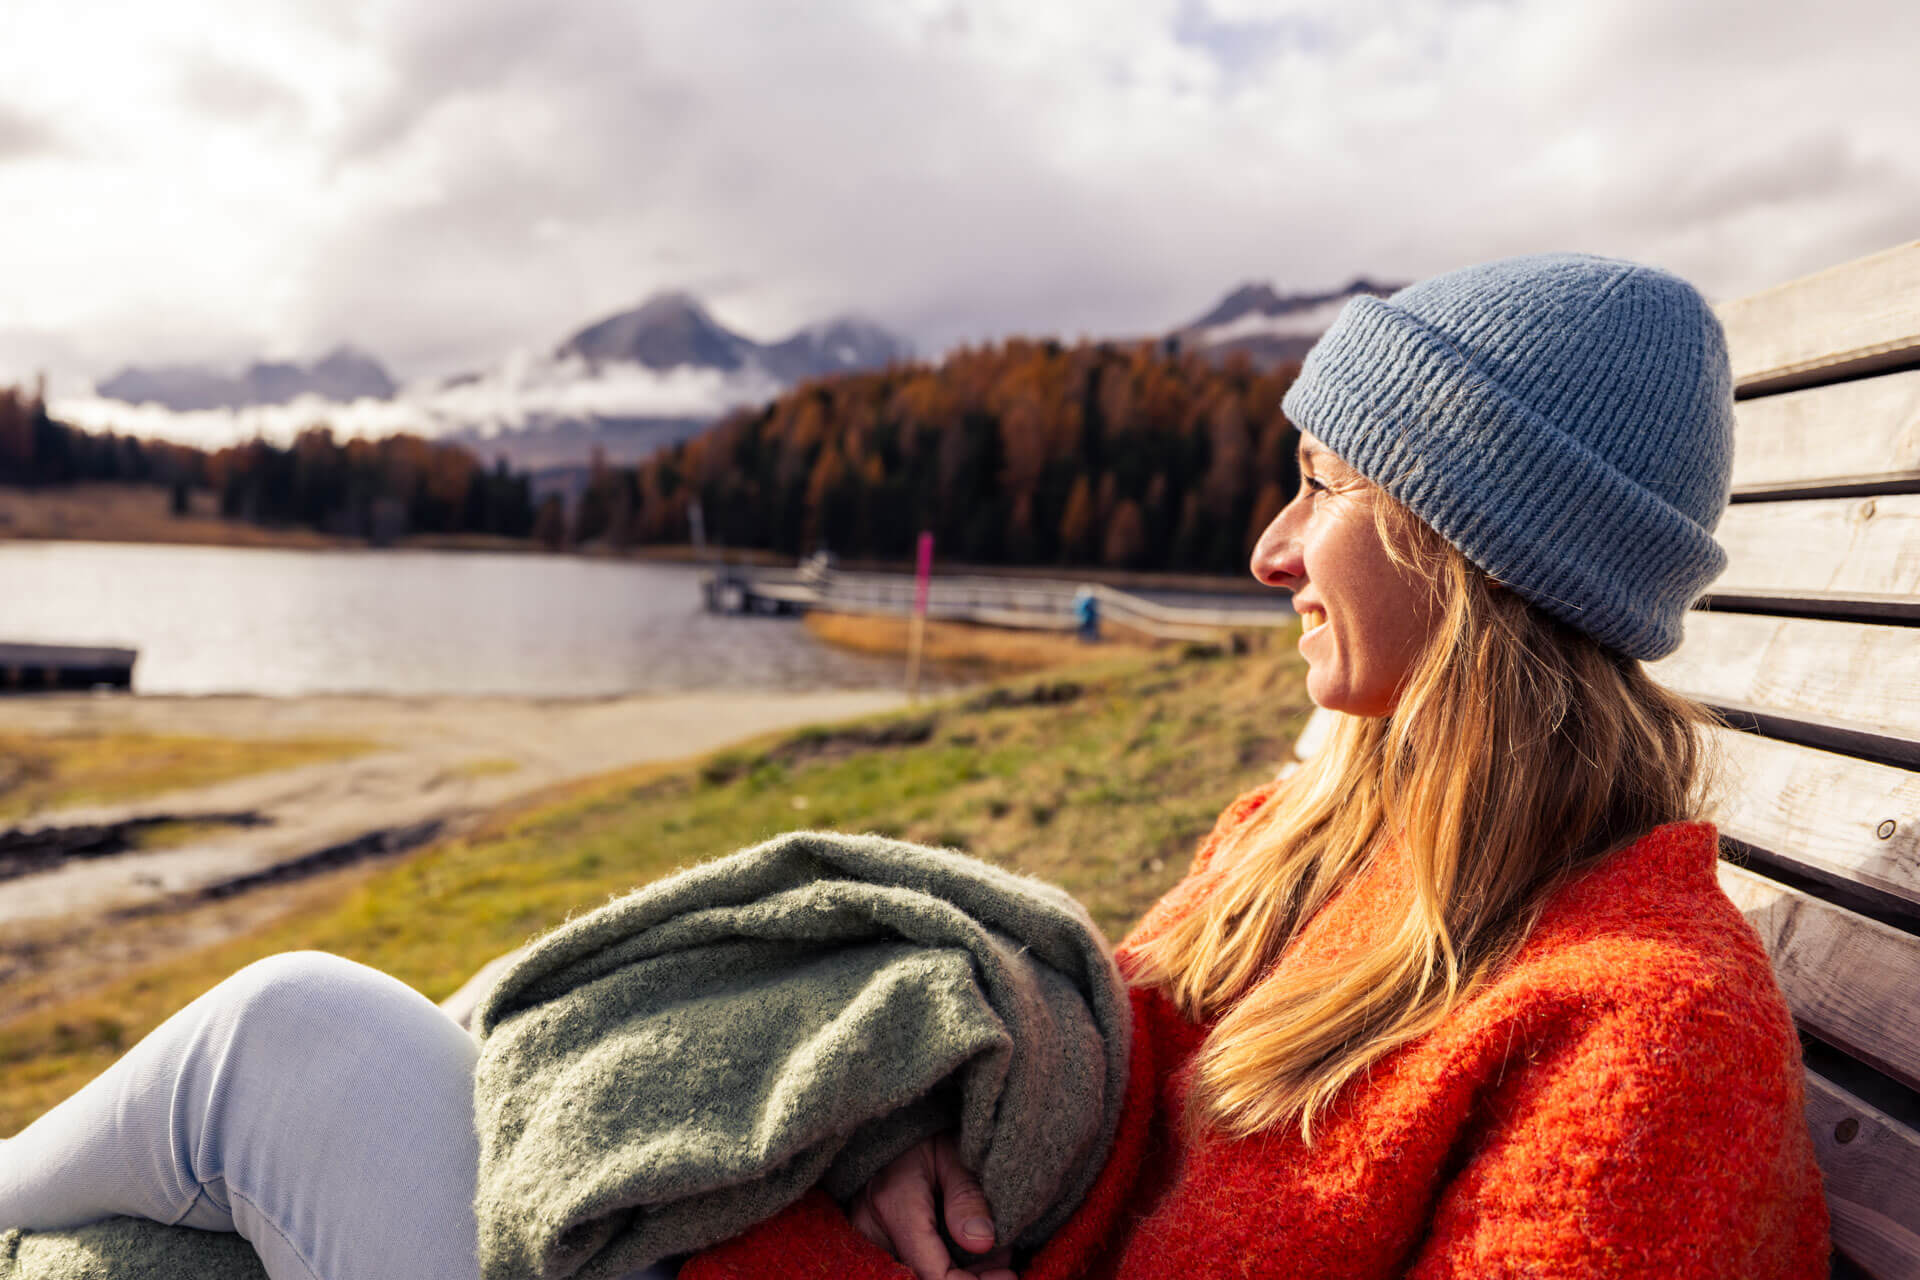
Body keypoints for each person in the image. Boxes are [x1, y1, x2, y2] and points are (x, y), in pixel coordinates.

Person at [0, 253, 1829, 1280]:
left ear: (1472, 549)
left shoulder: (1642, 1033)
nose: (1272, 554)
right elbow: (1089, 1093)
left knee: (282, 1049)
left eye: (1327, 491)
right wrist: (902, 1114)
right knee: (177, 1243)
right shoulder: (1307, 843)